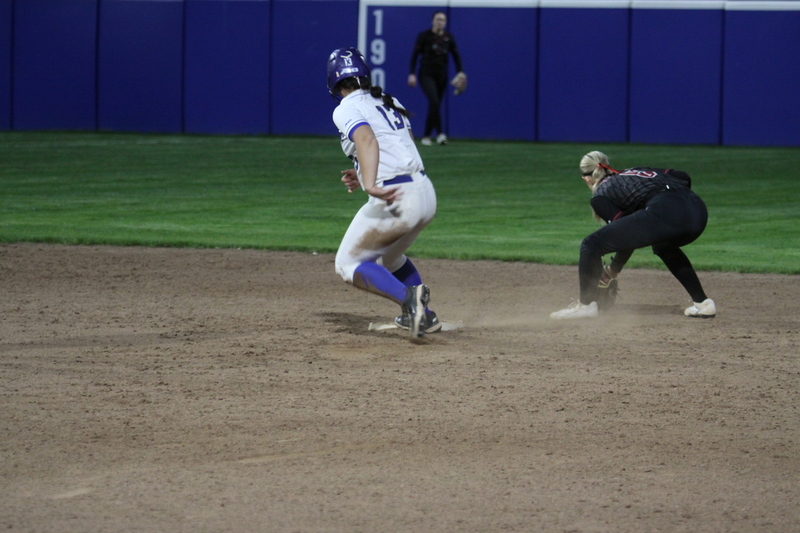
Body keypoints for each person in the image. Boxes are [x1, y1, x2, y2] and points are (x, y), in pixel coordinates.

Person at [326, 47, 442, 338]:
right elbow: (403, 146)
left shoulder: (346, 108)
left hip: (396, 197)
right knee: (389, 260)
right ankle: (425, 317)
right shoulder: (387, 100)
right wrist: (364, 171)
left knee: (348, 263)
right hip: (424, 192)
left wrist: (370, 183)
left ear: (334, 81)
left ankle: (411, 303)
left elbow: (367, 140)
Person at [550, 151, 717, 320]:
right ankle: (703, 304)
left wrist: (612, 270)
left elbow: (626, 238)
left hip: (666, 211)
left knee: (591, 244)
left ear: (587, 178)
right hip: (698, 211)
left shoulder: (600, 196)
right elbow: (682, 176)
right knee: (663, 245)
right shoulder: (637, 171)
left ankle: (585, 305)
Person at [408, 11, 466, 146]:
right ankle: (440, 134)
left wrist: (461, 72)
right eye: (438, 19)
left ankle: (427, 136)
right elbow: (415, 56)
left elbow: (456, 56)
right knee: (434, 100)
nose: (440, 22)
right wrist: (411, 73)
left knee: (435, 105)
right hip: (426, 74)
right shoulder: (424, 36)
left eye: (443, 20)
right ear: (432, 21)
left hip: (442, 76)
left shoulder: (448, 37)